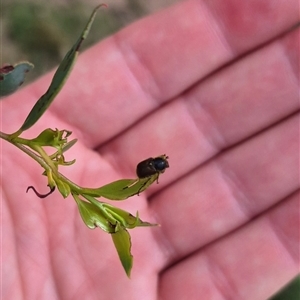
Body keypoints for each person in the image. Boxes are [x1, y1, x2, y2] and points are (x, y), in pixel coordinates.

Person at [1, 0, 299, 299]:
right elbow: (148, 169)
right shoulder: (149, 170)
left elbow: (148, 169)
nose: (161, 165)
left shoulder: (149, 170)